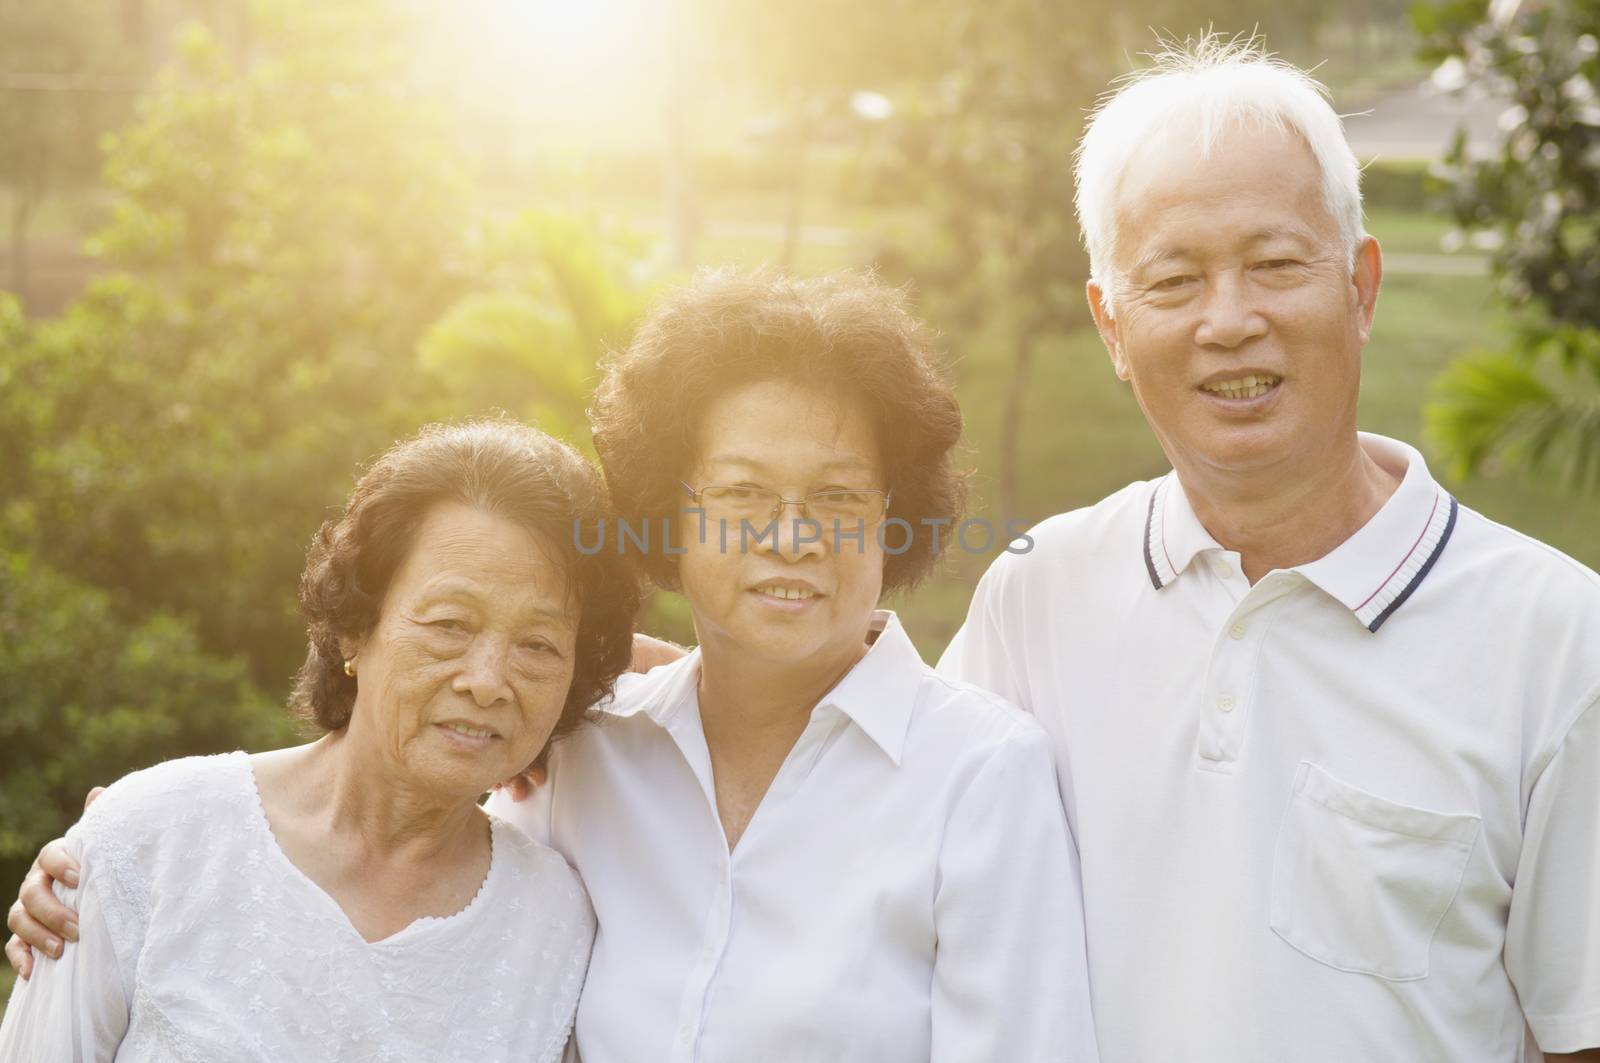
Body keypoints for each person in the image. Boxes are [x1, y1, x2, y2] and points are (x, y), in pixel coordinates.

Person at [9, 273, 1099, 1062]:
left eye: (836, 498)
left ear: (892, 519)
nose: (790, 535)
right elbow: (400, 815)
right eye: (739, 498)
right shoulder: (588, 757)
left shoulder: (978, 776)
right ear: (669, 517)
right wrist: (129, 844)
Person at [934, 37, 1600, 1062]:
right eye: (1173, 280)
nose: (1229, 321)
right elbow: (887, 838)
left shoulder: (1557, 641)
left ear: (1359, 289)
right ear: (1111, 327)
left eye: (1275, 264)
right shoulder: (1035, 592)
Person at [0, 419, 638, 1061]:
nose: (487, 681)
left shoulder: (561, 927)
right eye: (450, 623)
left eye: (538, 645)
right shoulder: (150, 838)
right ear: (354, 628)